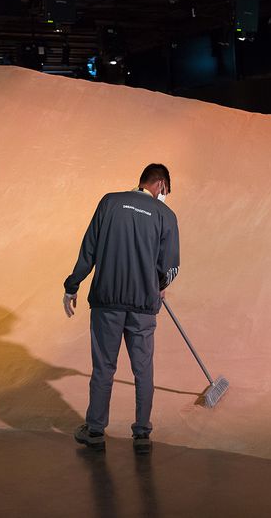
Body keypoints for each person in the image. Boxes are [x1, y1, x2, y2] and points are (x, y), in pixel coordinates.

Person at [63, 163, 180, 454]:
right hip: (142, 305)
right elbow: (171, 266)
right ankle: (142, 435)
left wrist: (72, 285)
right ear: (161, 185)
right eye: (166, 191)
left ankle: (95, 431)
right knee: (143, 369)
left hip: (107, 303)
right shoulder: (165, 215)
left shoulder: (109, 202)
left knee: (104, 367)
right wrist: (161, 283)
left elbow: (88, 249)